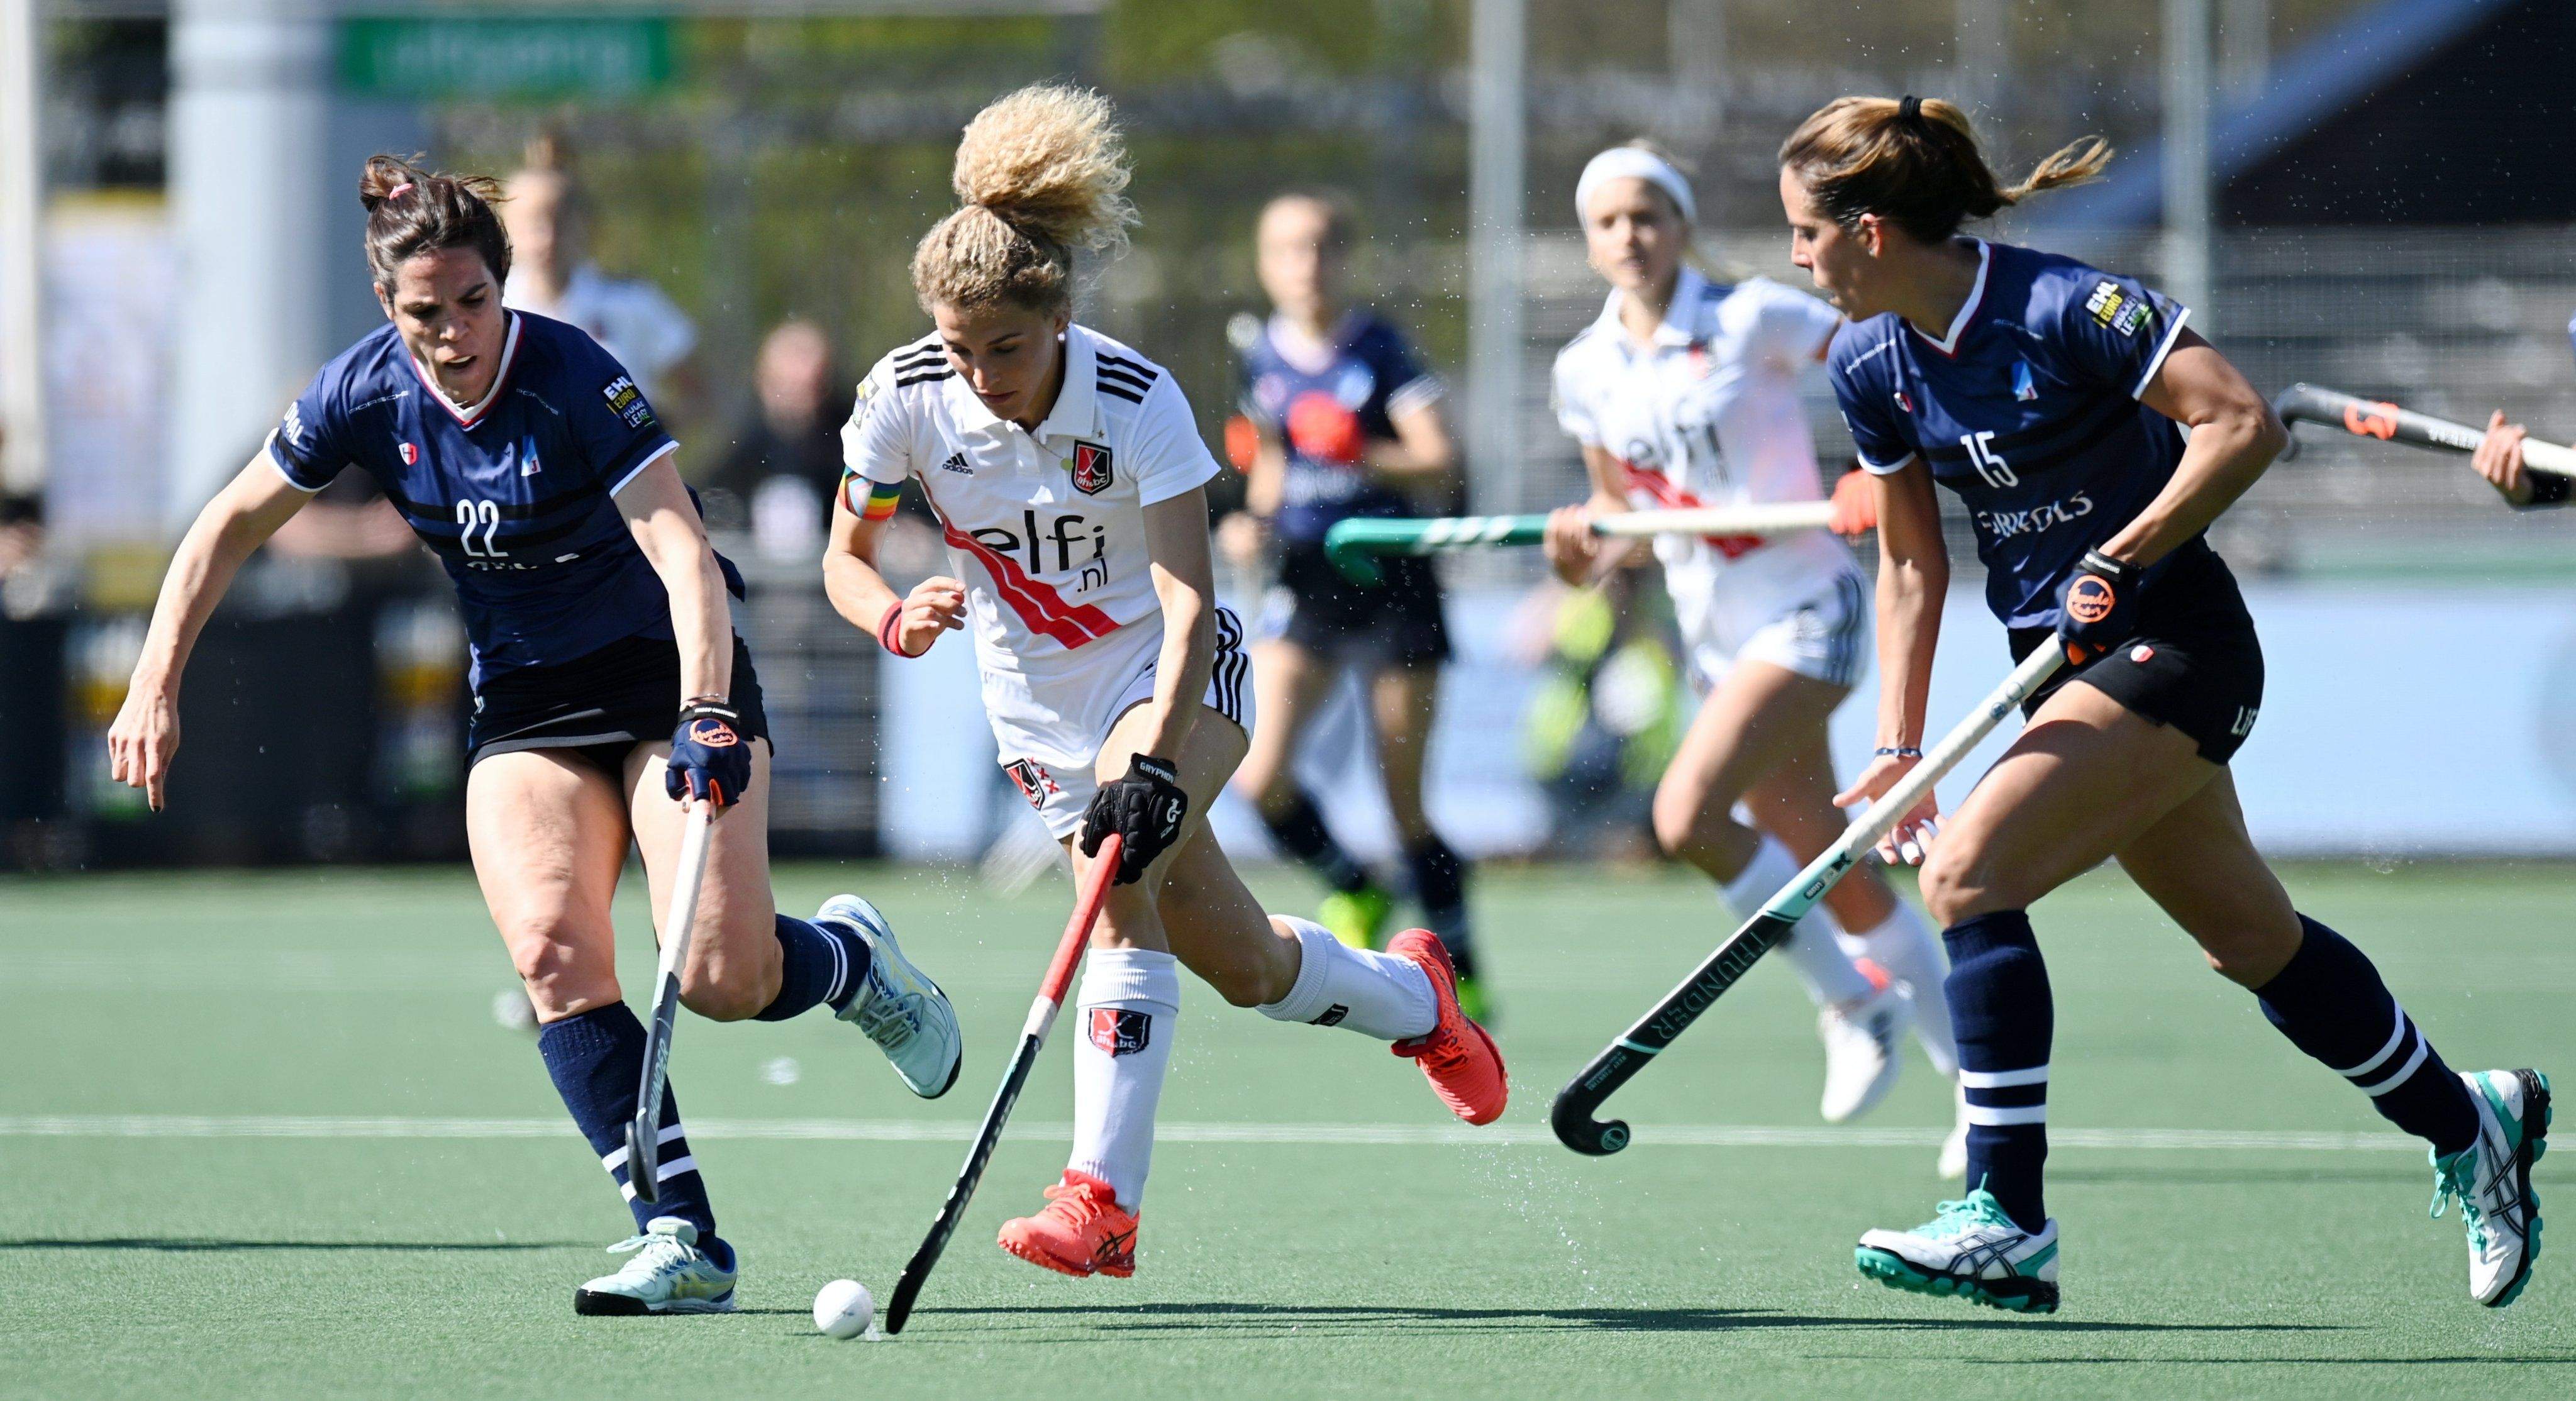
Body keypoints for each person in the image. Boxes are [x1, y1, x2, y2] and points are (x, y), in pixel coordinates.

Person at [106, 156, 963, 1317]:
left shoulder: (572, 375)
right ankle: (681, 1235)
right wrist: (155, 678)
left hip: (666, 678)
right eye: (425, 313)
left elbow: (681, 552)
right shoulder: (361, 393)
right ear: (386, 308)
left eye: (472, 304)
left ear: (501, 287)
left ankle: (851, 963)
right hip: (524, 701)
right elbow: (227, 524)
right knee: (556, 955)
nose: (454, 334)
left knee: (718, 974)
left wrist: (709, 706)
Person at [1788, 94, 2546, 1314]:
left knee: (1967, 875)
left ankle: (2005, 1213)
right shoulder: (1867, 361)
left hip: (2173, 644)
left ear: (1869, 229)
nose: (1796, 259)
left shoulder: (2061, 309)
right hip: (2063, 666)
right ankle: (2471, 1121)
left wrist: (2122, 556)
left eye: (1805, 235)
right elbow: (1910, 563)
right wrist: (1895, 746)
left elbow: (2238, 425)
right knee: (2247, 939)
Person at [823, 85, 1504, 1281]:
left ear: (1062, 315)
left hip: (1171, 674)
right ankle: (1418, 999)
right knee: (1246, 968)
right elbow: (847, 553)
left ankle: (1102, 1201)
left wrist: (1147, 754)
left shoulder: (1135, 400)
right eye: (961, 347)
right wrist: (890, 610)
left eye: (1008, 349)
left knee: (1115, 862)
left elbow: (1190, 601)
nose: (982, 375)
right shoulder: (901, 396)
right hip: (1034, 709)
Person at [1542, 141, 1962, 1160]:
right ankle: (1980, 1083)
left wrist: (1878, 469)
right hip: (1715, 634)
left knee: (1686, 814)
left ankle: (1850, 1001)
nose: (1630, 236)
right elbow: (1618, 517)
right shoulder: (1583, 370)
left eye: (1648, 215)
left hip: (1808, 605)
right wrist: (1579, 550)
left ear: (1681, 225)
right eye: (1609, 221)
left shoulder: (1752, 316)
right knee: (1833, 868)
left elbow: (1888, 356)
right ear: (1590, 241)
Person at [1221, 192, 1487, 1016]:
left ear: (1345, 259)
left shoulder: (1382, 349)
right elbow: (1270, 460)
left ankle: (1460, 961)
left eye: (1322, 248)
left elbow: (1441, 460)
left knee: (1403, 798)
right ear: (1268, 265)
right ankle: (1351, 883)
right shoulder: (1259, 353)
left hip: (1394, 585)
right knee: (1257, 773)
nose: (1307, 266)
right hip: (1308, 582)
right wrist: (1252, 522)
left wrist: (1363, 451)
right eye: (1289, 250)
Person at [501, 145, 697, 410]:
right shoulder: (494, 309)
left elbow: (693, 386)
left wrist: (656, 434)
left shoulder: (631, 301)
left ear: (583, 225)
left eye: (559, 221)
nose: (546, 237)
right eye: (532, 223)